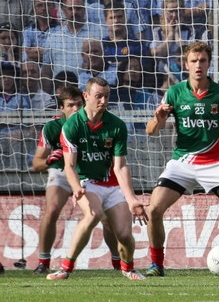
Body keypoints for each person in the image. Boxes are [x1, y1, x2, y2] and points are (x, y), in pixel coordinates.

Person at [144, 41, 219, 277]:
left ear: (209, 63)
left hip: (213, 164)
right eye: (193, 61)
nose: (198, 65)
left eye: (203, 60)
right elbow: (151, 131)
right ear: (186, 64)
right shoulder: (174, 93)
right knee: (154, 210)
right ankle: (157, 265)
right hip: (182, 163)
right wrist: (159, 118)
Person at [46, 77, 148, 280]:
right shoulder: (72, 125)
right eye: (98, 96)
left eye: (106, 96)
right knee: (93, 214)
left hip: (112, 185)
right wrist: (76, 188)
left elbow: (120, 167)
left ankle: (128, 268)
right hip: (87, 183)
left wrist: (132, 199)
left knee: (125, 235)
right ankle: (65, 268)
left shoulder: (117, 125)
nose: (103, 101)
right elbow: (69, 166)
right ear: (86, 96)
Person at [30, 86, 120, 275]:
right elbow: (36, 164)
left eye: (79, 104)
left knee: (106, 219)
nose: (76, 109)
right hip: (63, 172)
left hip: (90, 173)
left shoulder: (95, 121)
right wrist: (48, 160)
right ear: (61, 108)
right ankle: (43, 261)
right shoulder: (52, 127)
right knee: (52, 209)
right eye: (70, 105)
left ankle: (117, 261)